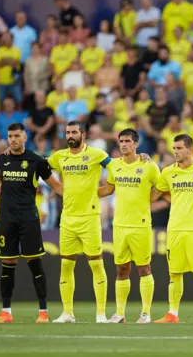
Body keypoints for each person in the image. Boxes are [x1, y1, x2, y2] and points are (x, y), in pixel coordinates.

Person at [0, 123, 63, 324]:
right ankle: (6, 312)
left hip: (28, 218)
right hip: (6, 218)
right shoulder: (0, 160)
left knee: (34, 263)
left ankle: (43, 312)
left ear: (25, 137)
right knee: (7, 263)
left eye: (16, 136)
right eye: (10, 136)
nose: (13, 139)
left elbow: (56, 186)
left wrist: (77, 194)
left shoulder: (36, 161)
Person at [47, 121, 113, 323]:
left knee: (96, 264)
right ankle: (67, 313)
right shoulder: (60, 156)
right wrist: (57, 187)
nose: (70, 135)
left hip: (90, 218)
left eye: (74, 132)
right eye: (67, 132)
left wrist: (107, 189)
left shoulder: (96, 154)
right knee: (66, 266)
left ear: (82, 134)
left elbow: (117, 168)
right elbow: (40, 167)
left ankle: (101, 314)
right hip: (67, 218)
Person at [152, 134, 193, 323]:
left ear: (190, 149)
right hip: (175, 228)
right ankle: (172, 313)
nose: (176, 152)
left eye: (179, 148)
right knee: (174, 273)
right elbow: (157, 193)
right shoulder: (168, 172)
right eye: (174, 148)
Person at [97, 129, 160, 324]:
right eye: (121, 141)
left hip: (140, 224)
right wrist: (84, 192)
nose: (123, 144)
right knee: (121, 269)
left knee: (144, 268)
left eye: (127, 141)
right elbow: (109, 188)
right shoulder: (114, 165)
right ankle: (120, 314)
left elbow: (160, 188)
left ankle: (146, 313)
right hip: (120, 224)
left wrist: (146, 201)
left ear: (135, 144)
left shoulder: (149, 166)